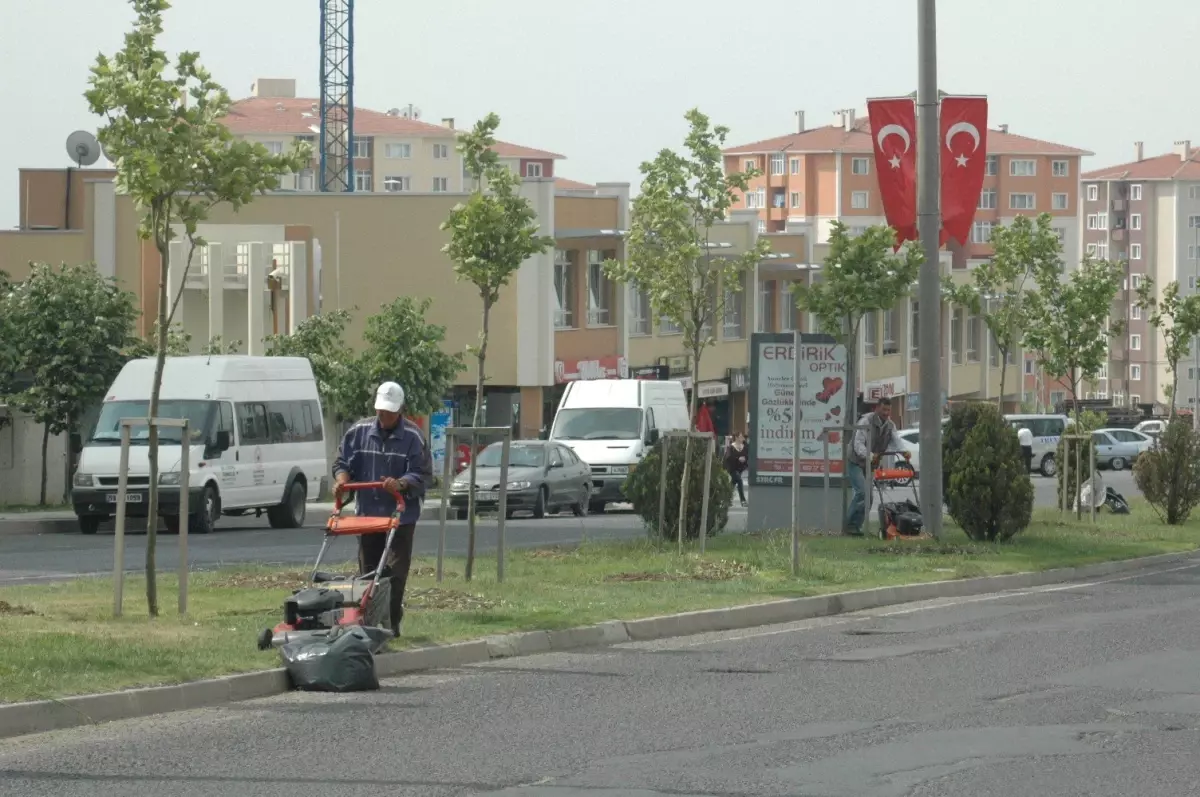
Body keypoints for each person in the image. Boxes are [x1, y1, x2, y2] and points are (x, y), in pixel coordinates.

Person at [332, 381, 432, 636]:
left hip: (400, 516)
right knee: (368, 573)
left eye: (389, 411)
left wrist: (401, 483)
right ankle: (366, 622)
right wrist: (342, 482)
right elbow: (342, 462)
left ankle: (392, 621)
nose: (384, 416)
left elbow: (422, 474)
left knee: (395, 573)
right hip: (368, 515)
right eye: (380, 411)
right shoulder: (358, 432)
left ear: (400, 410)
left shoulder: (413, 436)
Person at [846, 397, 909, 536]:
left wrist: (904, 452)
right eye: (884, 409)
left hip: (870, 464)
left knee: (869, 497)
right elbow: (858, 444)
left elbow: (896, 441)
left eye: (888, 410)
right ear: (877, 408)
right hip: (855, 461)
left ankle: (856, 527)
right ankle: (848, 524)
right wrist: (870, 456)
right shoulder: (865, 421)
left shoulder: (890, 425)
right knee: (862, 492)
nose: (886, 413)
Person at [724, 432, 749, 507]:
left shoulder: (744, 446)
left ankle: (726, 500)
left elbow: (748, 454)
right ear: (737, 437)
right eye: (741, 436)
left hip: (740, 469)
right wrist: (738, 459)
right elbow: (728, 458)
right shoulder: (731, 447)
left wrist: (744, 459)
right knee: (739, 481)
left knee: (733, 483)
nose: (743, 438)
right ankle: (743, 500)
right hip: (732, 468)